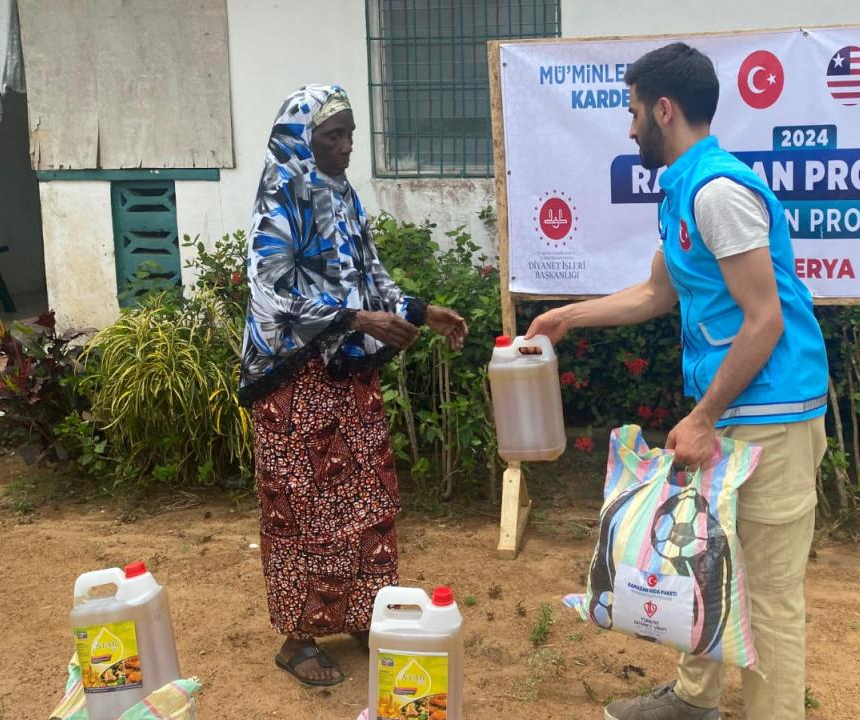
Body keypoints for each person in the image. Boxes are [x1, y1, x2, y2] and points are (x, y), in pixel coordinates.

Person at [526, 43, 829, 720]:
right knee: (708, 562)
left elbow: (764, 321)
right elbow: (657, 293)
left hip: (774, 416)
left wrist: (701, 417)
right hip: (733, 410)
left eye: (634, 112)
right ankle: (694, 703)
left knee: (770, 595)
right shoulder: (684, 191)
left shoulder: (719, 193)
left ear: (664, 109)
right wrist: (566, 318)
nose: (630, 128)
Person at [238, 84, 468, 686]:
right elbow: (269, 294)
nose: (345, 147)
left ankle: (363, 612)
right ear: (301, 140)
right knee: (303, 508)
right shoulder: (279, 199)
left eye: (349, 135)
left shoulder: (342, 195)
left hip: (347, 377)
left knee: (365, 502)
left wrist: (419, 309)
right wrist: (356, 320)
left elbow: (370, 272)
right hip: (295, 383)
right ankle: (297, 636)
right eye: (331, 136)